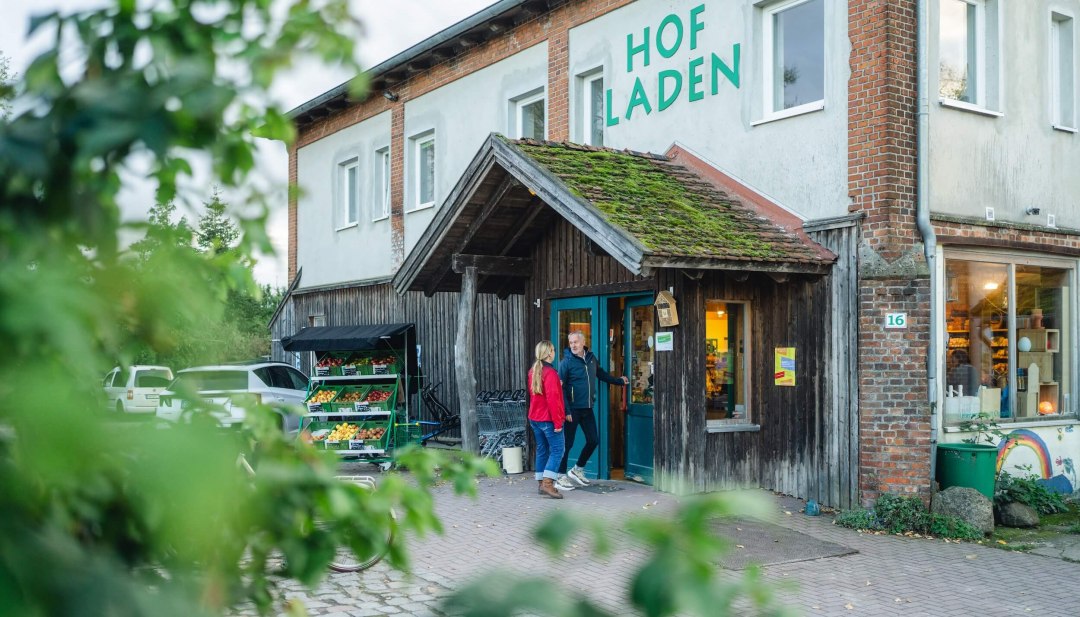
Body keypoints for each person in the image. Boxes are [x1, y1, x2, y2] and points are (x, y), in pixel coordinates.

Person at [555, 330, 629, 490]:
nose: (573, 345)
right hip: (572, 410)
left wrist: (618, 381)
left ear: (583, 342)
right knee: (567, 444)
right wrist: (566, 410)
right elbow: (560, 389)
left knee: (593, 440)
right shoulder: (565, 362)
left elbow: (601, 374)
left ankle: (577, 470)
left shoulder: (591, 359)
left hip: (587, 408)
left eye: (576, 342)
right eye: (571, 343)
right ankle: (560, 476)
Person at [527, 340, 566, 499]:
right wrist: (558, 422)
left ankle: (540, 482)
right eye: (553, 350)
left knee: (543, 449)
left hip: (535, 417)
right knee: (557, 450)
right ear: (550, 353)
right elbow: (553, 399)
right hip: (548, 419)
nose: (555, 352)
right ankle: (547, 483)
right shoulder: (550, 373)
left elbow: (534, 396)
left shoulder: (533, 370)